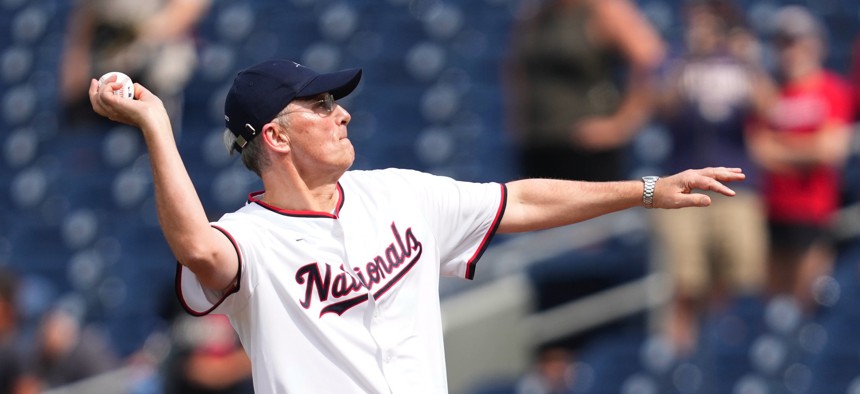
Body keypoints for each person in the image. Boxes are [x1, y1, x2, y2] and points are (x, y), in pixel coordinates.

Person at [89, 59, 745, 393]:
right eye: (319, 105)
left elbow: (518, 201)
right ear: (276, 136)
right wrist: (156, 127)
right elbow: (195, 246)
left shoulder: (398, 196)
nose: (341, 114)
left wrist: (644, 189)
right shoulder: (252, 240)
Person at [652, 0, 773, 355]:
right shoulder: (677, 63)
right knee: (685, 281)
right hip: (686, 183)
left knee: (739, 279)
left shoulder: (740, 62)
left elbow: (769, 107)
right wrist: (688, 60)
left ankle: (730, 355)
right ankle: (682, 360)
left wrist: (748, 61)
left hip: (737, 186)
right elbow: (663, 107)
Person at [747, 6, 853, 312]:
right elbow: (758, 150)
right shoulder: (770, 94)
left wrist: (781, 148)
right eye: (782, 42)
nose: (789, 50)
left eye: (795, 41)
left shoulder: (831, 89)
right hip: (771, 210)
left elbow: (829, 150)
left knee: (807, 302)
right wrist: (804, 150)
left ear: (815, 44)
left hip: (813, 211)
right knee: (772, 307)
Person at [505, 0, 665, 182]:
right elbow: (516, 69)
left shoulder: (604, 8)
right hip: (538, 145)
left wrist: (622, 125)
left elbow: (650, 61)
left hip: (586, 148)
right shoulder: (536, 14)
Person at [60, 0, 211, 129]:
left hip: (157, 64)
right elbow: (84, 19)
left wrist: (138, 33)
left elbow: (185, 10)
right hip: (109, 61)